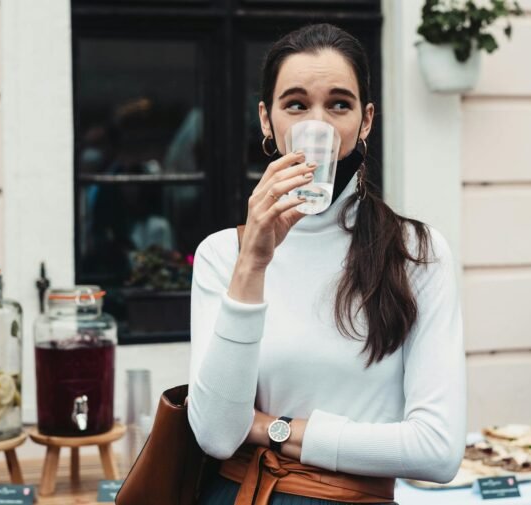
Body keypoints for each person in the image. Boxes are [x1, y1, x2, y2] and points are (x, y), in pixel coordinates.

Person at [188, 23, 465, 505]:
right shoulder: (223, 254)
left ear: (366, 121)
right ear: (267, 121)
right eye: (296, 104)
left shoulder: (417, 251)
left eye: (339, 104)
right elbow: (215, 433)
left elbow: (437, 449)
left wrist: (274, 429)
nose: (319, 123)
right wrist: (253, 264)